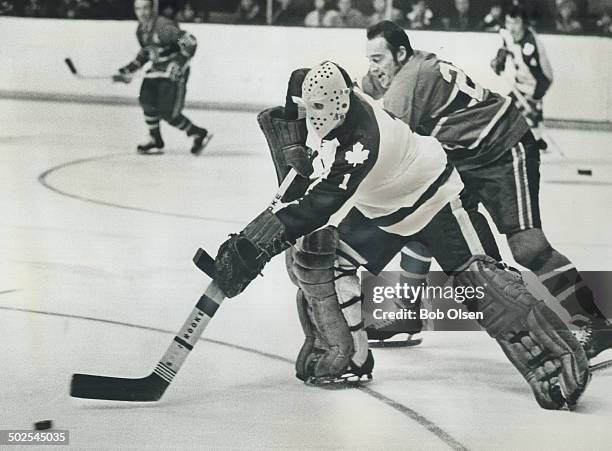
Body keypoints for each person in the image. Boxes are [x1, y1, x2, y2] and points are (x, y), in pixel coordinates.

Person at [210, 60, 589, 410]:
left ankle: (556, 358)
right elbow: (300, 81)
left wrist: (252, 243)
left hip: (437, 199)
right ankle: (348, 353)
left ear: (342, 104)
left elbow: (318, 205)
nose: (313, 117)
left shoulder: (360, 142)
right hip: (384, 208)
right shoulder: (331, 97)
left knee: (484, 286)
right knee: (317, 261)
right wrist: (294, 122)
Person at [362, 20, 612, 359]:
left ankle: (595, 324)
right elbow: (376, 87)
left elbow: (389, 147)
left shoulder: (408, 82)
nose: (373, 67)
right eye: (370, 59)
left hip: (504, 149)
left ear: (401, 54)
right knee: (425, 215)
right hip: (469, 154)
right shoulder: (412, 67)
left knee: (528, 248)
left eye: (378, 59)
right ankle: (406, 313)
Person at [114, 0, 212, 155]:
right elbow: (147, 53)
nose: (142, 12)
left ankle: (198, 133)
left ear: (153, 8)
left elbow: (189, 42)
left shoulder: (164, 28)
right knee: (146, 100)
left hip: (173, 74)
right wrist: (128, 70)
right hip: (156, 71)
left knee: (168, 113)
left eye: (145, 8)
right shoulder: (141, 30)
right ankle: (155, 139)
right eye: (138, 8)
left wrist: (178, 64)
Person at [491, 6, 553, 133]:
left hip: (534, 88)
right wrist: (498, 62)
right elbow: (504, 51)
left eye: (516, 23)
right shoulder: (507, 34)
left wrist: (535, 99)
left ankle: (538, 139)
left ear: (523, 23)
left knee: (528, 125)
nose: (512, 27)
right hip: (520, 86)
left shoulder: (530, 44)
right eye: (509, 22)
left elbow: (545, 78)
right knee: (501, 115)